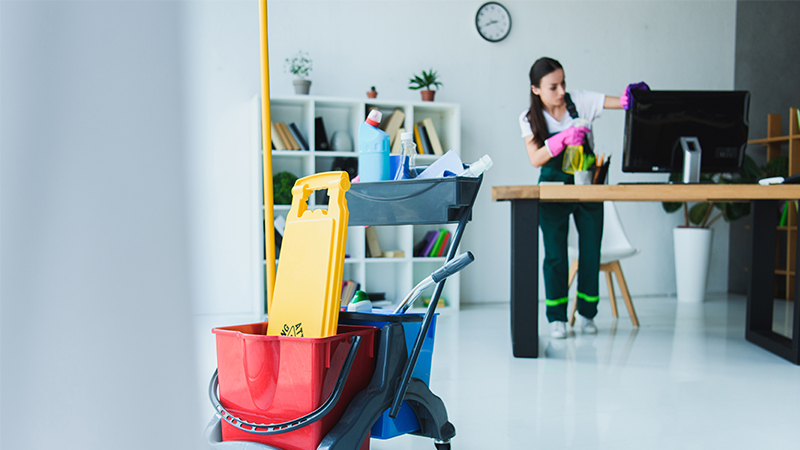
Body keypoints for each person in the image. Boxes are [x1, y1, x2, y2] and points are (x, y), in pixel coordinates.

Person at [518, 56, 647, 339]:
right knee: (555, 254)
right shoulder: (529, 119)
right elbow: (536, 158)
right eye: (553, 86)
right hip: (552, 187)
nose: (561, 91)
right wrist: (561, 139)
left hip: (588, 184)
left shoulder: (580, 101)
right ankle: (556, 318)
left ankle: (588, 313)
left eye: (563, 83)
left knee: (591, 250)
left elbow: (620, 103)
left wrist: (631, 98)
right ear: (536, 89)